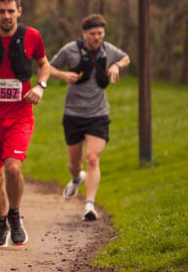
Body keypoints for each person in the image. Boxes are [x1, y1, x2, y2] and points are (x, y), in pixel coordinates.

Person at [0, 0, 50, 248]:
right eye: (1, 11)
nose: (6, 16)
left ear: (19, 11)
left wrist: (40, 86)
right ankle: (1, 221)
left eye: (10, 11)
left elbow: (44, 64)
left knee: (14, 168)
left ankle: (15, 214)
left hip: (20, 115)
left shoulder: (32, 36)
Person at [48, 13, 130, 221]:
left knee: (92, 158)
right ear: (84, 34)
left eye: (100, 33)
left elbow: (126, 57)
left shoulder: (107, 50)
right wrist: (64, 75)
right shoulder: (70, 50)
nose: (97, 37)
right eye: (93, 34)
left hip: (98, 114)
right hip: (73, 114)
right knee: (74, 164)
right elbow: (47, 67)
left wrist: (116, 65)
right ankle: (76, 179)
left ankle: (89, 205)